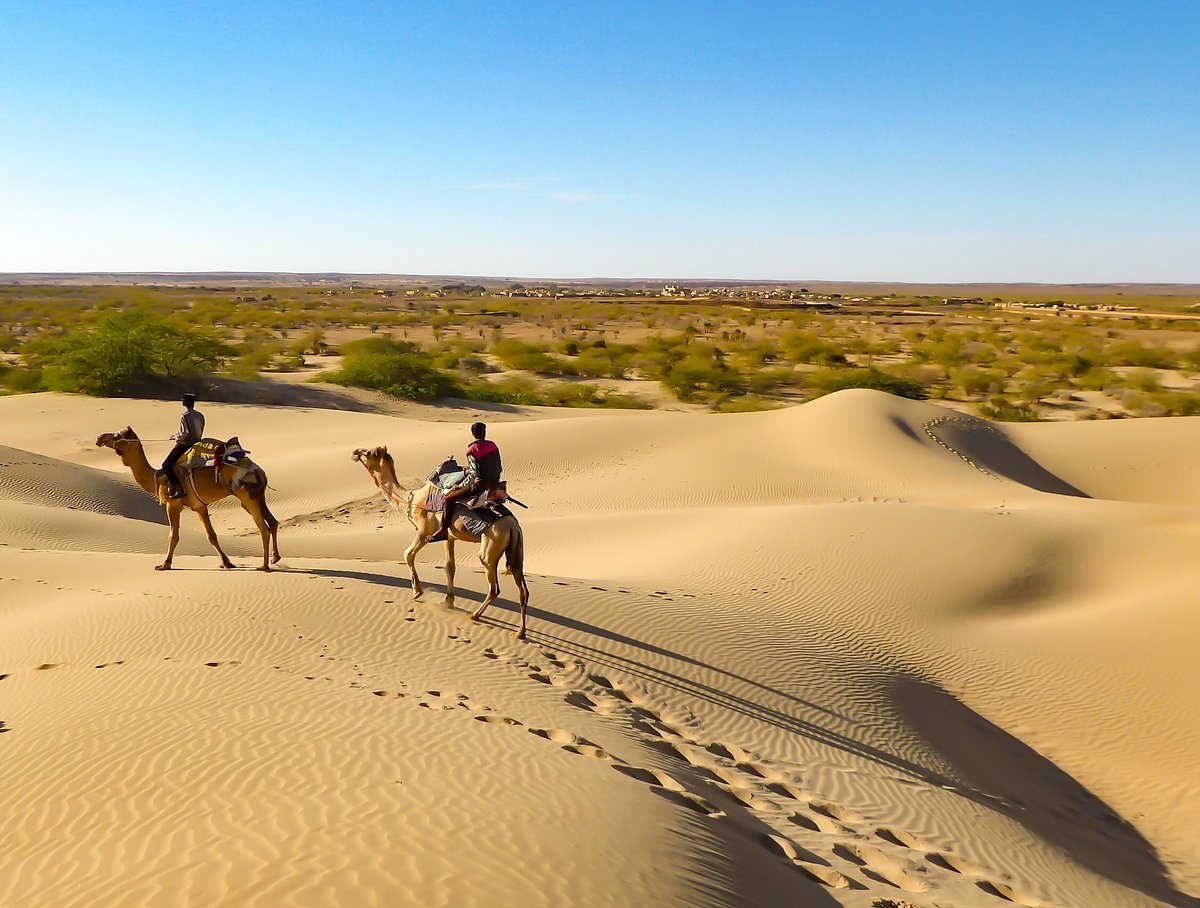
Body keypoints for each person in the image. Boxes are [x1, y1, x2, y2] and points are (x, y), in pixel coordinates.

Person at [427, 422, 503, 542]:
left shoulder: (472, 450)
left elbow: (473, 474)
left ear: (472, 434)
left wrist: (460, 486)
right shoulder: (492, 445)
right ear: (484, 433)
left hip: (480, 486)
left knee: (448, 499)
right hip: (495, 482)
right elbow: (497, 465)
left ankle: (443, 530)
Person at [162, 393, 205, 499]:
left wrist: (175, 437)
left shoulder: (184, 416)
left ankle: (178, 488)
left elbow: (183, 434)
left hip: (185, 445)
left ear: (185, 403)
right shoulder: (200, 416)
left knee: (166, 465)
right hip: (197, 444)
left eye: (183, 400)